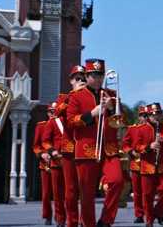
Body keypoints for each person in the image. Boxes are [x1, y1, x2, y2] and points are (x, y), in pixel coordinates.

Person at [65, 58, 125, 227]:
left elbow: (121, 121)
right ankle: (88, 224)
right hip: (86, 149)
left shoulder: (112, 95)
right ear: (87, 75)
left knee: (117, 181)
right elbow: (70, 122)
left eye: (100, 75)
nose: (97, 79)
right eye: (93, 75)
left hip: (109, 148)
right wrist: (91, 114)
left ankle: (106, 220)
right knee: (86, 193)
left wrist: (112, 108)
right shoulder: (77, 96)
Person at [52, 66, 86, 227]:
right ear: (71, 81)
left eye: (83, 77)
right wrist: (73, 94)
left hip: (87, 148)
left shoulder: (91, 97)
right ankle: (71, 221)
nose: (80, 81)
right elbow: (57, 113)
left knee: (86, 188)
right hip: (70, 149)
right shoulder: (64, 97)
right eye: (77, 78)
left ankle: (86, 220)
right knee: (71, 189)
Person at [134, 102, 163, 227]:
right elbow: (137, 147)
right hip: (147, 166)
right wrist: (149, 146)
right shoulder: (141, 129)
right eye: (153, 114)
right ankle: (149, 220)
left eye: (158, 113)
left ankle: (158, 213)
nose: (156, 116)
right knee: (148, 195)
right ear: (148, 116)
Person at [33, 110, 58, 226]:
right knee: (46, 193)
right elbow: (36, 146)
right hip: (46, 164)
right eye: (51, 112)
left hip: (59, 163)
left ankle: (59, 216)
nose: (53, 114)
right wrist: (42, 154)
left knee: (59, 193)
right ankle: (47, 215)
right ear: (47, 113)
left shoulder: (61, 125)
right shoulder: (41, 126)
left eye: (55, 111)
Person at [123, 106, 148, 223]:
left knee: (147, 191)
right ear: (139, 116)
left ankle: (149, 213)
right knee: (137, 191)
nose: (144, 118)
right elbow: (125, 144)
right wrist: (131, 151)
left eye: (146, 115)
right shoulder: (132, 129)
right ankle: (139, 214)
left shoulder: (151, 129)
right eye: (142, 115)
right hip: (136, 164)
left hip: (149, 164)